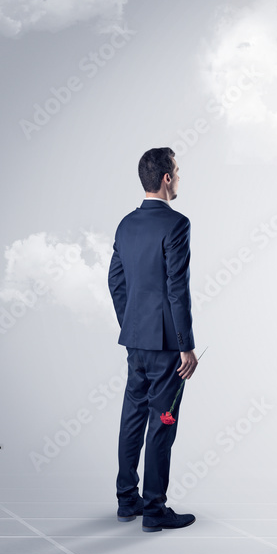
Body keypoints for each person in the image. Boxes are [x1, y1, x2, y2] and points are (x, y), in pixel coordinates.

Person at [107, 147, 199, 532]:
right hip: (165, 346)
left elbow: (116, 281)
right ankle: (154, 509)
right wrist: (186, 345)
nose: (179, 178)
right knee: (162, 421)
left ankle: (127, 501)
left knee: (132, 417)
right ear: (165, 178)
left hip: (136, 342)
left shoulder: (126, 225)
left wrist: (131, 324)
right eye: (176, 172)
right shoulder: (177, 224)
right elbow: (177, 289)